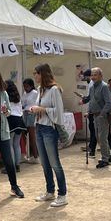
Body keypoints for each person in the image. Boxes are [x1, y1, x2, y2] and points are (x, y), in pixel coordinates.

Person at [30, 63, 68, 207]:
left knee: (54, 163)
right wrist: (35, 110)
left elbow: (58, 112)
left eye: (36, 73)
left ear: (43, 74)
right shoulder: (39, 90)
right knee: (44, 163)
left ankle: (62, 194)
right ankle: (50, 191)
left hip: (49, 130)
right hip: (39, 127)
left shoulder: (54, 90)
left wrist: (42, 109)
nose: (35, 76)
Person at [0, 67, 24, 199]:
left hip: (3, 132)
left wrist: (6, 111)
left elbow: (8, 113)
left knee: (8, 160)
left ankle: (14, 186)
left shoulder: (4, 93)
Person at [80, 67, 111, 168]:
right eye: (92, 75)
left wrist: (102, 114)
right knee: (99, 137)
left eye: (95, 74)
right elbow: (91, 99)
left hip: (102, 116)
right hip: (94, 115)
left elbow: (108, 103)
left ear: (100, 76)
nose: (93, 77)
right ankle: (108, 155)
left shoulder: (104, 87)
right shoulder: (92, 87)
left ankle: (105, 159)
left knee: (102, 138)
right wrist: (85, 103)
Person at [5, 80, 26, 172]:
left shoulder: (6, 96)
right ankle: (17, 165)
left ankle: (11, 167)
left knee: (10, 145)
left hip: (11, 120)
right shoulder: (18, 97)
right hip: (20, 120)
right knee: (16, 144)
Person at [21, 78, 39, 163]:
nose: (25, 88)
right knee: (23, 134)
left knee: (32, 136)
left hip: (32, 114)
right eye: (24, 86)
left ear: (31, 86)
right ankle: (25, 154)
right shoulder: (25, 93)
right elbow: (23, 104)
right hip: (25, 114)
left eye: (27, 86)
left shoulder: (35, 93)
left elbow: (36, 104)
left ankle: (36, 156)